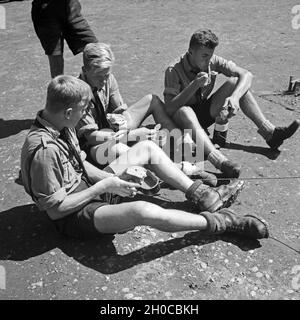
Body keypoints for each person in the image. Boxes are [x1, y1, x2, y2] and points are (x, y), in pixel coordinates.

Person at [20, 75, 268, 241]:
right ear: (68, 112)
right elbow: (56, 211)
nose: (86, 115)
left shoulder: (61, 123)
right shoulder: (44, 150)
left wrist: (111, 178)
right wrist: (106, 184)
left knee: (147, 148)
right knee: (142, 210)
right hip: (75, 215)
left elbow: (80, 164)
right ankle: (220, 222)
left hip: (88, 186)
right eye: (83, 110)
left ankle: (202, 194)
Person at [163, 29, 300, 178]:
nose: (208, 60)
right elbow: (169, 109)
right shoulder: (173, 70)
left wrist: (235, 97)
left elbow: (246, 74)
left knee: (236, 82)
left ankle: (270, 133)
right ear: (190, 51)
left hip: (201, 117)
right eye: (204, 56)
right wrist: (194, 85)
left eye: (210, 55)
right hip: (180, 123)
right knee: (185, 111)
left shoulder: (211, 61)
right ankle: (220, 161)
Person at [77, 42, 214, 182]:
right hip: (94, 146)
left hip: (111, 130)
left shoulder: (108, 78)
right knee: (120, 149)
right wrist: (133, 135)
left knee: (152, 100)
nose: (104, 80)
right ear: (85, 70)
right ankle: (180, 169)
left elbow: (120, 109)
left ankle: (182, 143)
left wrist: (121, 120)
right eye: (99, 77)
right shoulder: (79, 94)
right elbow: (91, 137)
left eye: (107, 75)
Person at [31, 0, 98, 78]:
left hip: (71, 7)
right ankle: (59, 89)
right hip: (45, 12)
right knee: (56, 62)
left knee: (97, 52)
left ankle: (92, 87)